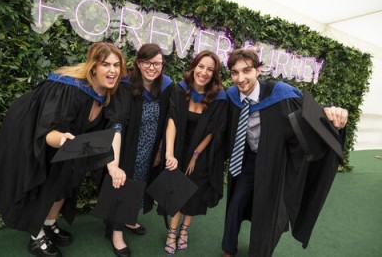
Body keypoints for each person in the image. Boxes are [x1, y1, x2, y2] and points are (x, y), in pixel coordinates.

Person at [0, 42, 128, 257]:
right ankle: (36, 236)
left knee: (66, 183)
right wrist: (62, 139)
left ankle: (50, 223)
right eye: (105, 64)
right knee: (45, 183)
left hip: (70, 144)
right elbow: (48, 132)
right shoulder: (70, 89)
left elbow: (114, 128)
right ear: (93, 67)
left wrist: (114, 165)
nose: (112, 70)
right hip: (35, 133)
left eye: (117, 65)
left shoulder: (111, 92)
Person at [221, 49, 348, 257]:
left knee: (269, 213)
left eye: (246, 71)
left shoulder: (279, 93)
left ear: (258, 70)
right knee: (236, 202)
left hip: (275, 163)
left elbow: (308, 115)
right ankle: (228, 248)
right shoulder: (232, 96)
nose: (240, 78)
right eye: (235, 73)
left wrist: (333, 113)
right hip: (249, 162)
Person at [104, 43, 174, 257]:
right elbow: (117, 120)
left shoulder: (166, 86)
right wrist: (114, 160)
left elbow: (171, 118)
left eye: (158, 64)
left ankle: (128, 219)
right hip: (128, 147)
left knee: (140, 184)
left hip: (150, 148)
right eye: (147, 63)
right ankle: (116, 233)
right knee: (123, 186)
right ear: (138, 63)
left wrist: (163, 149)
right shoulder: (125, 85)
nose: (153, 68)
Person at [164, 50, 228, 255]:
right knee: (177, 190)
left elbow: (213, 131)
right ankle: (172, 232)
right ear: (193, 67)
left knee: (193, 192)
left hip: (201, 153)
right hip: (179, 148)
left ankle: (184, 230)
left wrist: (196, 155)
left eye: (210, 69)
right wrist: (169, 153)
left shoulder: (219, 98)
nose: (204, 72)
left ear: (215, 74)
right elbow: (172, 120)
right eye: (201, 66)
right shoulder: (180, 89)